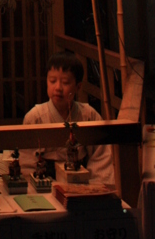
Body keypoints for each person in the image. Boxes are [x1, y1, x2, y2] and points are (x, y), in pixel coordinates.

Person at [20, 51, 115, 184]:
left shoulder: (89, 115)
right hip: (45, 182)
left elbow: (101, 159)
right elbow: (27, 163)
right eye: (52, 81)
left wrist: (93, 187)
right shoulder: (35, 117)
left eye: (65, 82)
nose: (58, 88)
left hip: (82, 182)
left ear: (78, 86)